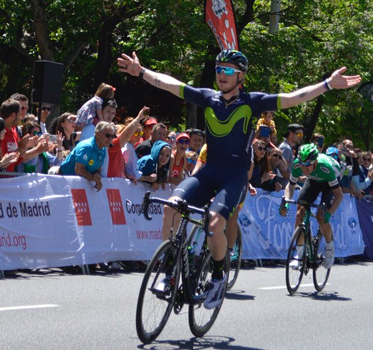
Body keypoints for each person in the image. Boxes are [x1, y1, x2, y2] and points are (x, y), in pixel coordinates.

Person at [118, 48, 360, 309]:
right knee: (170, 209)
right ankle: (169, 271)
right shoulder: (208, 97)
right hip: (209, 172)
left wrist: (326, 85)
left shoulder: (252, 102)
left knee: (213, 223)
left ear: (241, 76)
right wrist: (141, 72)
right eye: (219, 69)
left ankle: (219, 277)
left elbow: (292, 98)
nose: (221, 75)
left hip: (234, 177)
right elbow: (170, 84)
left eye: (228, 71)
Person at [280, 143, 343, 270]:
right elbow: (290, 186)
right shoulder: (297, 165)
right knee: (300, 212)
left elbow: (339, 195)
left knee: (321, 216)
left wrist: (329, 213)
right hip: (313, 181)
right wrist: (286, 201)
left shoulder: (326, 167)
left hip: (328, 183)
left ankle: (330, 249)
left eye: (307, 164)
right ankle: (299, 256)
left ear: (315, 162)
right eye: (302, 164)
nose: (304, 168)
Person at [59, 121, 116, 191]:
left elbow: (97, 169)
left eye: (112, 136)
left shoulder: (103, 149)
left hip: (76, 185)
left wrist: (97, 175)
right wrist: (93, 178)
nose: (110, 139)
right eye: (107, 135)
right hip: (63, 181)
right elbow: (79, 170)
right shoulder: (87, 147)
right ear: (97, 133)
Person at [107, 107, 149, 179]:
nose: (139, 135)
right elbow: (131, 171)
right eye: (136, 133)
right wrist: (138, 118)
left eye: (141, 133)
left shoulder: (129, 147)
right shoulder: (123, 147)